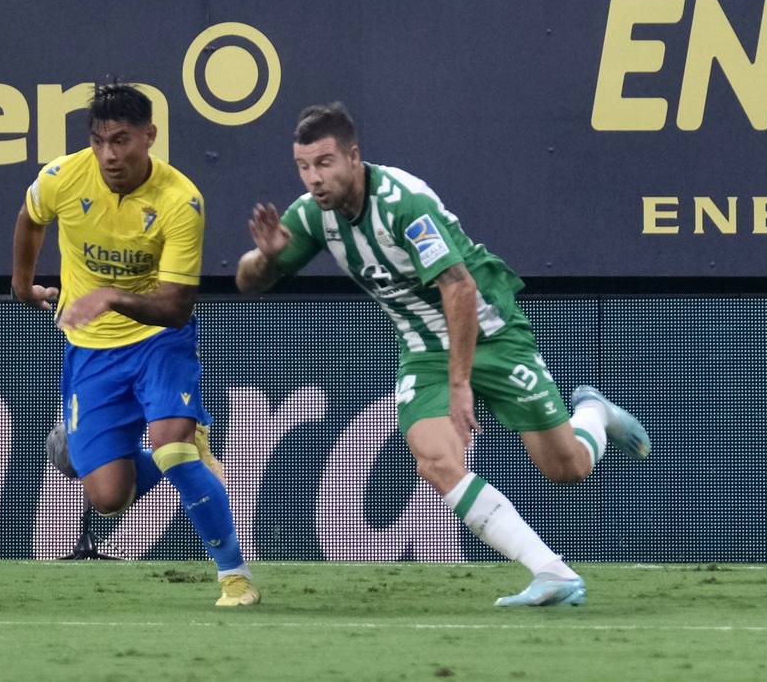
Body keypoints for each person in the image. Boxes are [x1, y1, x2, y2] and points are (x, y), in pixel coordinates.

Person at [236, 103, 652, 607]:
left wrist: (461, 386)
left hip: (489, 332)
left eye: (325, 163)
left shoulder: (404, 203)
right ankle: (552, 572)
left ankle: (592, 412)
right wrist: (266, 256)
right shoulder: (311, 216)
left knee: (567, 469)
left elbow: (459, 289)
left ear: (353, 156)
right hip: (422, 349)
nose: (314, 178)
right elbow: (249, 284)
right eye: (303, 167)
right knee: (435, 460)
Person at [12, 83, 258, 608]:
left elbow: (175, 308)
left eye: (121, 140)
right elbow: (31, 217)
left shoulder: (179, 201)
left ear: (149, 136)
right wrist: (21, 284)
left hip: (157, 343)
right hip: (90, 351)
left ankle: (235, 577)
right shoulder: (62, 178)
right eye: (99, 140)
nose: (109, 154)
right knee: (107, 499)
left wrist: (108, 296)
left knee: (172, 447)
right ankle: (185, 451)